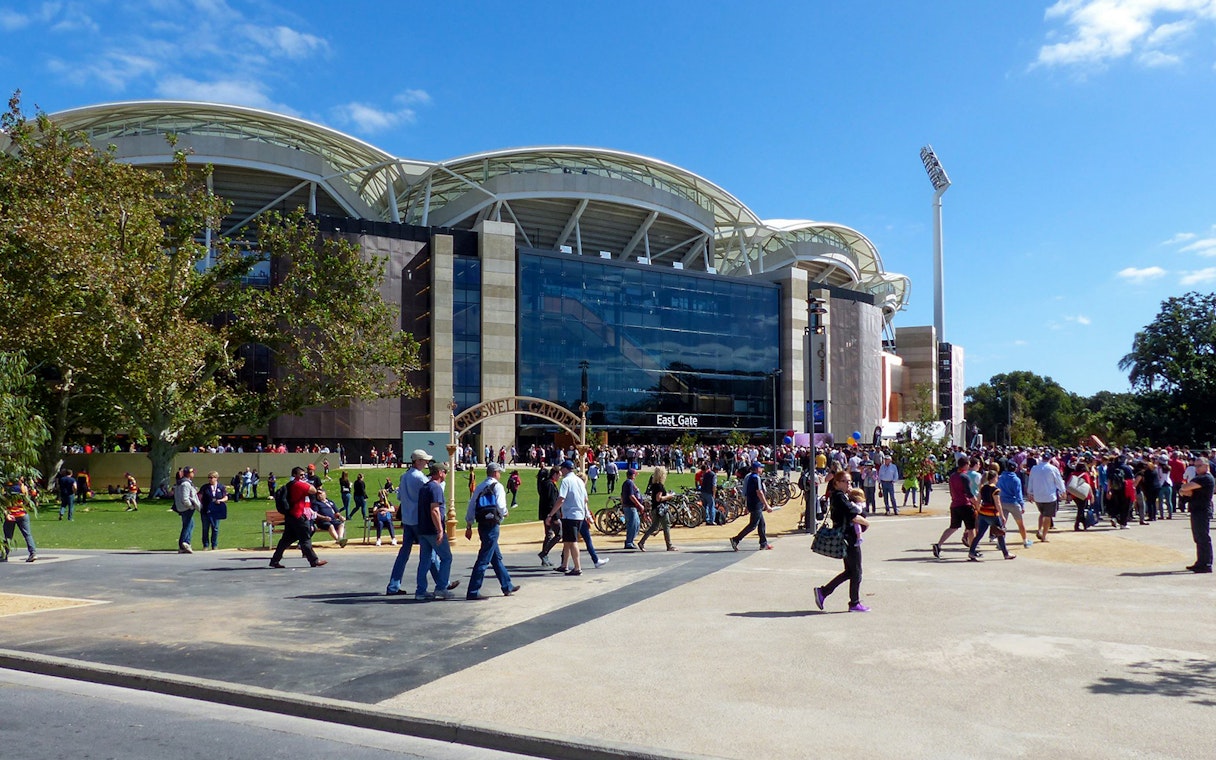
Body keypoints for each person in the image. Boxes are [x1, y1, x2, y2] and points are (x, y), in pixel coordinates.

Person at [385, 450, 454, 595]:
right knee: (430, 554)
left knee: (405, 553)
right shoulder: (419, 477)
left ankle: (394, 585)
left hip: (407, 519)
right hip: (419, 519)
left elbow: (399, 497)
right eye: (424, 460)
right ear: (417, 461)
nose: (427, 463)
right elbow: (435, 490)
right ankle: (442, 584)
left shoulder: (405, 476)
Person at [463, 463, 520, 600]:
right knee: (484, 559)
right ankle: (473, 590)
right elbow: (501, 505)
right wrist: (505, 513)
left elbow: (472, 505)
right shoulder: (498, 486)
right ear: (495, 473)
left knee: (496, 557)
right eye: (499, 472)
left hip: (482, 523)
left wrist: (469, 524)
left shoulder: (480, 486)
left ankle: (507, 585)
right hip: (493, 524)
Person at [814, 482, 870, 612]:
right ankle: (853, 602)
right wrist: (866, 522)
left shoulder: (841, 497)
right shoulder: (840, 497)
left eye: (850, 482)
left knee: (850, 571)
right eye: (846, 482)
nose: (849, 485)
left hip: (849, 537)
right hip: (849, 538)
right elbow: (854, 514)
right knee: (856, 572)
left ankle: (824, 591)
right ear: (838, 483)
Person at [268, 466, 327, 569]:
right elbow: (313, 490)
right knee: (305, 539)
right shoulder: (299, 484)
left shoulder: (290, 484)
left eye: (304, 475)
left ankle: (275, 560)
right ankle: (314, 560)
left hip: (290, 516)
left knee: (285, 540)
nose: (303, 477)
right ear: (294, 475)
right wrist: (306, 482)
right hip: (298, 516)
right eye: (301, 475)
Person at [414, 462, 455, 600]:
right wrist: (440, 530)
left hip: (423, 529)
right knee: (446, 557)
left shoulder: (424, 488)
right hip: (433, 529)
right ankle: (441, 587)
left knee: (424, 560)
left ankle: (420, 591)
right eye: (445, 472)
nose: (446, 474)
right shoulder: (435, 488)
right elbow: (435, 510)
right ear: (439, 472)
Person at [546, 460, 589, 576]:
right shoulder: (579, 481)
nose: (561, 471)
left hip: (570, 515)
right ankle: (564, 565)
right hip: (579, 514)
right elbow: (586, 499)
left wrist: (551, 514)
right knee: (567, 541)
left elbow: (561, 499)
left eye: (562, 469)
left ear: (565, 469)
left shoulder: (566, 481)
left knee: (572, 541)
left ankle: (577, 567)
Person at [932, 458, 977, 559]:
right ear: (965, 465)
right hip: (965, 504)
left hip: (955, 504)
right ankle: (972, 550)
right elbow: (969, 494)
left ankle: (938, 545)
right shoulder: (964, 477)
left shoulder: (953, 476)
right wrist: (977, 505)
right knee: (971, 528)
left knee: (953, 527)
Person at [969, 468, 1016, 561]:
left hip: (983, 512)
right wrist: (1002, 515)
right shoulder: (995, 489)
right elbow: (997, 503)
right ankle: (1006, 553)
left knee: (979, 534)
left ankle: (971, 552)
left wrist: (978, 510)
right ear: (994, 478)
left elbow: (978, 500)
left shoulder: (983, 487)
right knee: (1000, 533)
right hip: (992, 513)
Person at [1177, 457, 1214, 574]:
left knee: (1203, 538)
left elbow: (1186, 488)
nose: (1196, 468)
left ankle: (1206, 564)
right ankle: (1200, 562)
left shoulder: (1206, 478)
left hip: (1202, 511)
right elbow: (1186, 490)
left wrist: (1185, 489)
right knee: (1198, 538)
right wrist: (1185, 489)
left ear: (1206, 466)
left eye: (1199, 466)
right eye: (1195, 466)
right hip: (1196, 510)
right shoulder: (1198, 478)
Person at [730, 461, 773, 551]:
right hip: (756, 504)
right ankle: (736, 539)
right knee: (753, 525)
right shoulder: (755, 478)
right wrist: (767, 505)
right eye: (761, 468)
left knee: (761, 524)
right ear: (757, 469)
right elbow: (759, 492)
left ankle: (763, 543)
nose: (762, 469)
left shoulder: (750, 477)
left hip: (753, 503)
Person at [1027, 454, 1066, 543]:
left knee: (1042, 513)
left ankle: (1039, 529)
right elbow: (1058, 481)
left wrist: (1030, 492)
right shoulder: (1053, 469)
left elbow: (1031, 480)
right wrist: (1062, 491)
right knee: (1047, 516)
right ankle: (1044, 536)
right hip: (1049, 496)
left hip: (1038, 495)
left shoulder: (1034, 468)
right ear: (1049, 459)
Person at [638, 465, 676, 552]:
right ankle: (669, 545)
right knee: (666, 526)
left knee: (654, 527)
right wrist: (669, 496)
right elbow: (659, 498)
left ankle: (642, 542)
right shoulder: (660, 486)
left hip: (655, 509)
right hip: (661, 509)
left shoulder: (654, 485)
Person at [997, 460, 1031, 547]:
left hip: (1002, 502)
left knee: (1002, 524)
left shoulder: (1000, 477)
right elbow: (1018, 494)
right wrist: (1022, 505)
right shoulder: (1016, 479)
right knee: (1020, 523)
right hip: (1013, 502)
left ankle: (1000, 542)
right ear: (1015, 469)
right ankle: (1025, 541)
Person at [3, 478, 37, 562]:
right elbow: (28, 498)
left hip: (11, 514)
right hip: (22, 514)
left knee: (8, 536)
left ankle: (4, 555)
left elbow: (3, 504)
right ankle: (33, 553)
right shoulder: (22, 488)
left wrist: (6, 514)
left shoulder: (6, 489)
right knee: (27, 534)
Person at [173, 466, 202, 554]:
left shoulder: (183, 483)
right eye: (192, 472)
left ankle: (185, 544)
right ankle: (184, 543)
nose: (193, 474)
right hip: (186, 508)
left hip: (182, 507)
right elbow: (185, 498)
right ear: (189, 474)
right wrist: (191, 506)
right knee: (187, 525)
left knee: (190, 524)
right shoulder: (185, 483)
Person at [537, 467, 562, 566]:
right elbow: (551, 502)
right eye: (559, 475)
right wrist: (552, 516)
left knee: (548, 535)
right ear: (554, 474)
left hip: (546, 514)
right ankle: (544, 553)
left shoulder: (546, 484)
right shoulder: (550, 485)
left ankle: (544, 557)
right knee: (559, 534)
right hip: (551, 515)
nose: (559, 477)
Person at [198, 471, 228, 550]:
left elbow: (226, 497)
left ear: (216, 478)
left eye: (212, 478)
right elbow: (199, 497)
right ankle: (205, 545)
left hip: (216, 510)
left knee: (215, 528)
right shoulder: (205, 487)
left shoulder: (221, 487)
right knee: (205, 528)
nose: (210, 479)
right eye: (209, 478)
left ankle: (214, 544)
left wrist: (220, 500)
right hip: (206, 510)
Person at [620, 466, 645, 549]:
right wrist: (639, 504)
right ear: (632, 475)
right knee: (632, 525)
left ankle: (631, 540)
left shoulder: (628, 483)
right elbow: (631, 496)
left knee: (636, 524)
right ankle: (629, 542)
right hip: (630, 507)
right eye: (635, 474)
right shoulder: (629, 483)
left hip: (631, 507)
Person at [699, 462, 718, 526]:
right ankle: (711, 520)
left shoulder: (705, 474)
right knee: (711, 506)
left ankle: (706, 518)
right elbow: (714, 485)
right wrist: (714, 494)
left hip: (703, 491)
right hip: (709, 492)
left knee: (705, 506)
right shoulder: (713, 475)